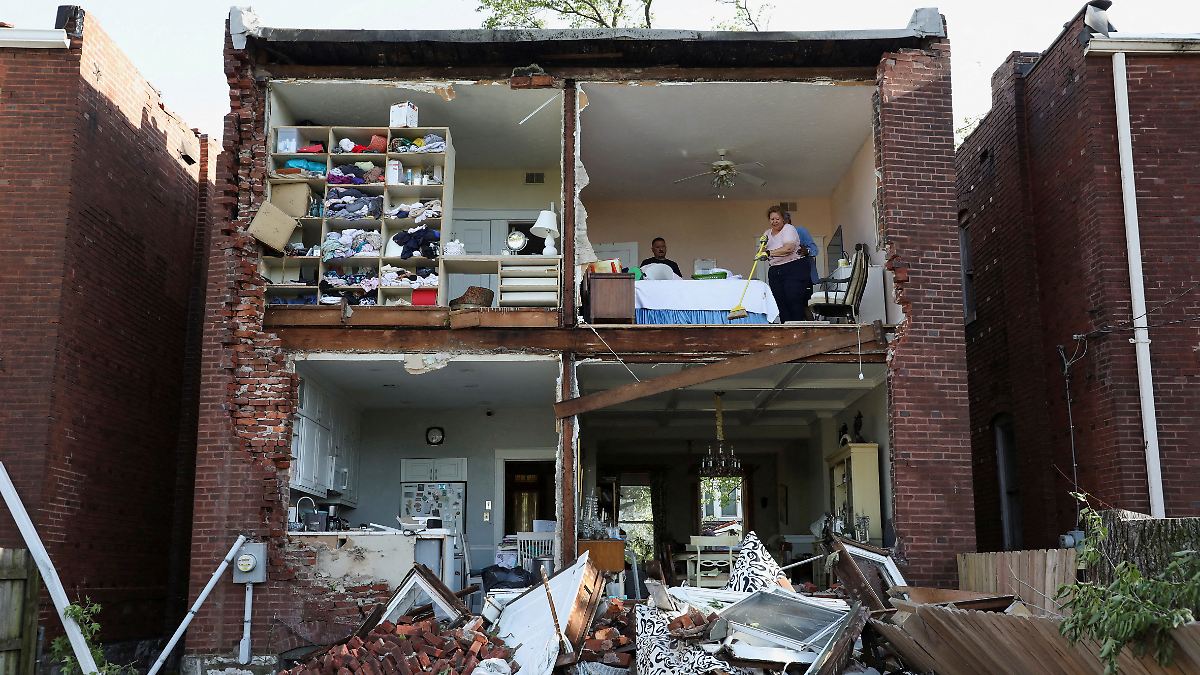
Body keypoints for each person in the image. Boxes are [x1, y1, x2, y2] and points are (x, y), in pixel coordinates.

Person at [760, 205, 819, 322]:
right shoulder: (767, 233)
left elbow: (812, 250)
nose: (775, 221)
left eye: (778, 219)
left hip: (795, 269)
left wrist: (807, 251)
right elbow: (762, 250)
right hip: (776, 270)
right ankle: (786, 328)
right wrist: (763, 251)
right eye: (772, 219)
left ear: (784, 219)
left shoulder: (795, 230)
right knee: (781, 303)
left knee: (798, 302)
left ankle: (801, 328)